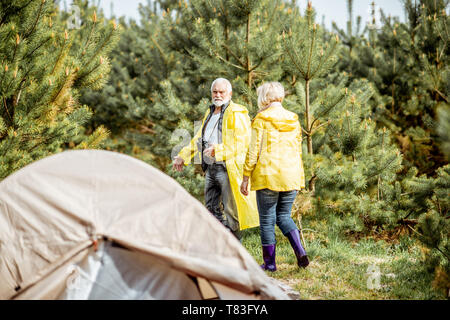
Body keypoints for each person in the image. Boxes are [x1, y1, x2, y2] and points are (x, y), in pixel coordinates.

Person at [173, 78, 258, 240]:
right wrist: (183, 156)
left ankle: (235, 250)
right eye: (215, 91)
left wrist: (217, 151)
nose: (218, 95)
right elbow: (199, 137)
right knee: (211, 209)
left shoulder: (237, 112)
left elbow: (242, 142)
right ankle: (220, 245)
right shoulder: (210, 112)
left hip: (227, 168)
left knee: (231, 212)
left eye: (221, 92)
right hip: (211, 168)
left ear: (230, 93)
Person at [240, 81, 309, 271]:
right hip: (291, 174)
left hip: (268, 176)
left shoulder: (261, 119)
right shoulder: (293, 119)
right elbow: (297, 150)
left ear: (264, 98)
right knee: (284, 216)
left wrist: (246, 176)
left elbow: (253, 152)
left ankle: (270, 264)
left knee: (267, 221)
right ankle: (300, 251)